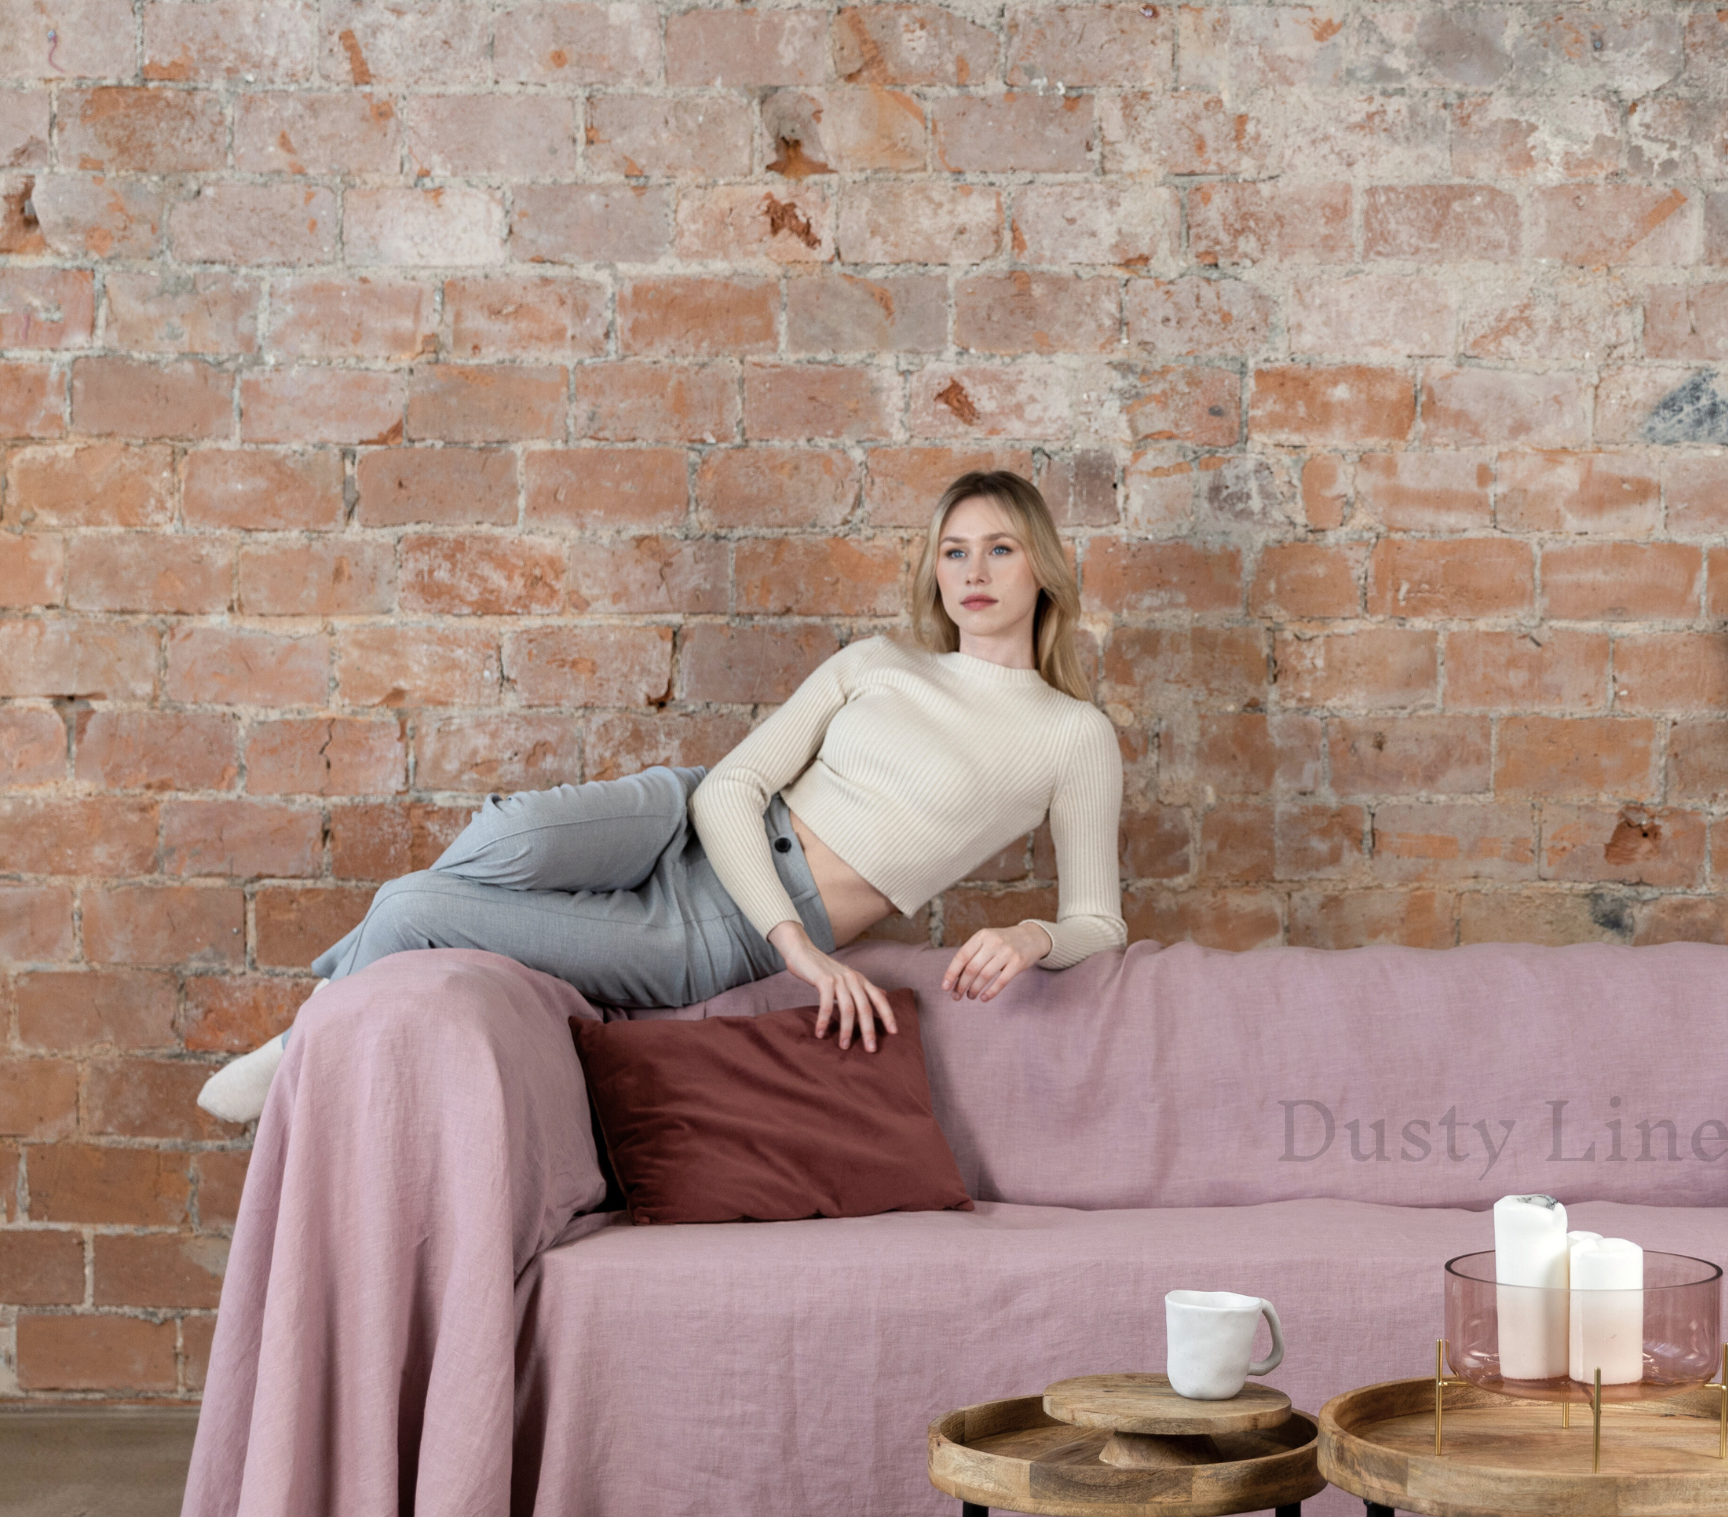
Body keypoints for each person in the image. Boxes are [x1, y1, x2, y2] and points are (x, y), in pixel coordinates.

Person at [196, 470, 1126, 1125]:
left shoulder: (1070, 733)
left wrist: (1029, 936)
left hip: (715, 931)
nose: (972, 572)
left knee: (410, 905)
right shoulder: (876, 663)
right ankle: (362, 999)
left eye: (999, 549)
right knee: (510, 836)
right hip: (689, 822)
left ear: (1040, 564)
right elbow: (732, 786)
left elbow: (1098, 919)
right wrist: (798, 950)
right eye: (953, 551)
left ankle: (302, 1041)